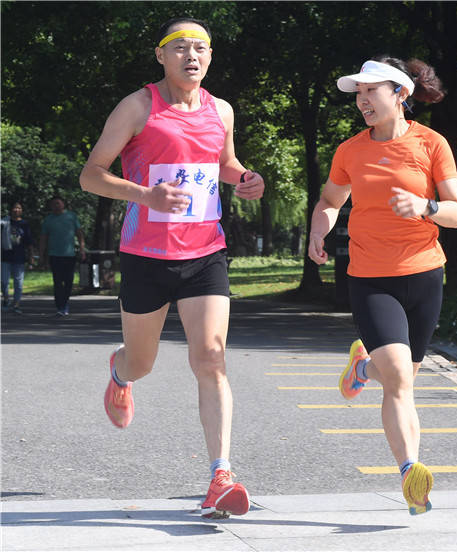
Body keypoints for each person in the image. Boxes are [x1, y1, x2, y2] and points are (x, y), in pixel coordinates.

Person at [79, 17, 265, 519]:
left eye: (200, 48)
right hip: (147, 256)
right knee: (142, 362)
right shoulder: (138, 107)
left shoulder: (221, 110)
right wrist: (146, 195)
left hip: (205, 253)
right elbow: (91, 175)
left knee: (211, 358)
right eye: (180, 47)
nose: (192, 56)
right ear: (161, 55)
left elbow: (223, 163)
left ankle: (220, 476)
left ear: (210, 56)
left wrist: (244, 177)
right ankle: (120, 372)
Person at [309, 56, 457, 515]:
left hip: (425, 273)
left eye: (370, 91)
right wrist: (319, 229)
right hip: (371, 277)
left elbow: (456, 213)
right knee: (398, 378)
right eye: (358, 93)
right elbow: (330, 199)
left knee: (401, 377)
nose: (362, 101)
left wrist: (424, 206)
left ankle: (363, 366)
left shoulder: (431, 144)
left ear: (400, 94)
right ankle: (410, 473)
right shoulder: (350, 151)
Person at [39, 196, 86, 316]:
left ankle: (65, 302)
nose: (56, 206)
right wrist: (41, 255)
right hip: (54, 255)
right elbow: (43, 238)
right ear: (51, 206)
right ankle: (60, 306)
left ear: (63, 204)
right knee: (58, 282)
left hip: (69, 255)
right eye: (54, 204)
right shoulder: (48, 220)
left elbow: (79, 234)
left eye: (58, 203)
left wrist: (82, 249)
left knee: (69, 281)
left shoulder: (71, 216)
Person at [1, 202, 35, 314]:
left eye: (19, 208)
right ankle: (6, 299)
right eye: (14, 207)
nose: (16, 210)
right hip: (5, 256)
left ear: (21, 210)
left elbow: (29, 242)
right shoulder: (4, 222)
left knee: (18, 283)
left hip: (19, 257)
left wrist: (31, 256)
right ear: (11, 210)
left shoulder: (24, 224)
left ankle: (16, 304)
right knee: (4, 282)